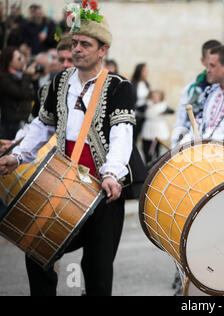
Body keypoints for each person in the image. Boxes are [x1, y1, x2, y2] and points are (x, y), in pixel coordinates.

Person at [0, 1, 136, 296]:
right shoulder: (59, 81)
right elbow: (41, 125)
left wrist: (112, 173)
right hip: (62, 184)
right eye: (74, 43)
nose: (76, 49)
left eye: (85, 44)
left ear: (102, 50)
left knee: (98, 271)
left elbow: (121, 135)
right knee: (36, 250)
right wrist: (18, 155)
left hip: (103, 190)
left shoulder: (118, 87)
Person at [171, 39, 222, 147]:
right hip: (194, 147)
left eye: (219, 61)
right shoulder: (192, 89)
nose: (215, 65)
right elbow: (181, 121)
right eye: (211, 62)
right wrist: (175, 146)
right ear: (203, 61)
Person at [0, 47, 36, 139]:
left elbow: (32, 95)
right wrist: (27, 76)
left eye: (23, 57)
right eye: (19, 58)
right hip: (12, 123)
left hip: (26, 119)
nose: (22, 61)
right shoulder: (4, 78)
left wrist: (34, 79)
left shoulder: (22, 76)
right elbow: (22, 94)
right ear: (9, 61)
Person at [141, 90, 171, 163]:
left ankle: (156, 163)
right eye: (153, 96)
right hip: (149, 128)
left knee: (157, 148)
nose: (155, 98)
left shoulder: (163, 105)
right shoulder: (148, 104)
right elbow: (139, 109)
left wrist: (163, 112)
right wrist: (146, 106)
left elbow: (171, 111)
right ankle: (147, 162)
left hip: (158, 129)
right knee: (147, 149)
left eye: (157, 96)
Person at [131, 63, 150, 143]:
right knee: (133, 138)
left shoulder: (146, 84)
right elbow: (132, 99)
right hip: (135, 114)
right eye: (144, 71)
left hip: (144, 114)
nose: (146, 73)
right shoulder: (133, 84)